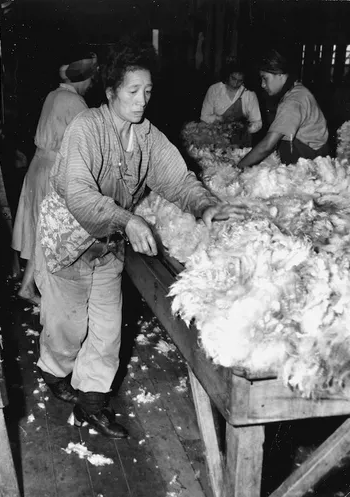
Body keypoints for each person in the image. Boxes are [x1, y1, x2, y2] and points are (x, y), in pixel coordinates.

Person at [34, 40, 247, 439]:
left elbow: (177, 178)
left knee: (107, 329)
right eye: (132, 91)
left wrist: (204, 204)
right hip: (69, 241)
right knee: (67, 328)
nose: (141, 100)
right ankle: (53, 370)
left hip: (108, 243)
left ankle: (92, 404)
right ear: (111, 92)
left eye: (147, 92)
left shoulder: (147, 137)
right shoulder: (86, 129)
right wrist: (128, 219)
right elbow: (79, 193)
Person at [11, 48, 98, 305]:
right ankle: (50, 293)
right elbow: (87, 143)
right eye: (90, 80)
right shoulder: (74, 102)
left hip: (38, 166)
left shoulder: (54, 94)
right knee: (52, 233)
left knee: (39, 230)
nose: (90, 85)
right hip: (53, 171)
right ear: (83, 79)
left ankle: (28, 287)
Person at [237, 49, 329, 168]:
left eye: (265, 78)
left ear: (279, 74)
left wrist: (238, 167)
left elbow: (267, 146)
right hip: (310, 159)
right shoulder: (296, 90)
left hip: (310, 163)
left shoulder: (293, 101)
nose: (262, 85)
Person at [200, 59, 262, 137]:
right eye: (233, 78)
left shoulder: (249, 94)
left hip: (240, 137)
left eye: (240, 81)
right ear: (227, 75)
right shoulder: (214, 90)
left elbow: (257, 122)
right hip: (216, 136)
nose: (235, 84)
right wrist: (221, 119)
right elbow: (204, 117)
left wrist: (244, 130)